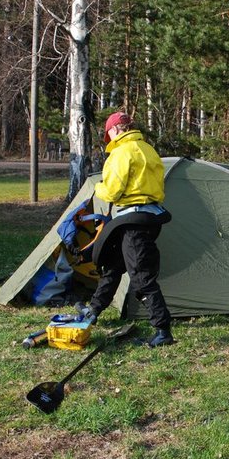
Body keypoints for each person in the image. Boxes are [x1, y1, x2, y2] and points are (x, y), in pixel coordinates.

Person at [78, 111, 175, 347]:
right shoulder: (148, 149)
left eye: (108, 135)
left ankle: (163, 331)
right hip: (149, 217)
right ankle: (93, 310)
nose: (108, 140)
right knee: (113, 266)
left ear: (113, 131)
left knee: (142, 277)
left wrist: (98, 187)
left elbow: (111, 191)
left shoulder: (121, 153)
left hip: (133, 221)